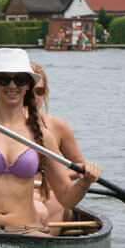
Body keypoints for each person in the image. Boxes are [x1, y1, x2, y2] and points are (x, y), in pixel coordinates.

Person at [0, 48, 100, 236]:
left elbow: (67, 198)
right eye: (4, 79)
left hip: (26, 230)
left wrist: (85, 181)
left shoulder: (42, 134)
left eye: (20, 80)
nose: (12, 86)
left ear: (28, 85)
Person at [30, 63, 85, 229]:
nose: (34, 97)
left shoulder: (57, 126)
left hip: (53, 191)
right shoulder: (1, 126)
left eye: (39, 91)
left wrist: (57, 175)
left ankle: (45, 245)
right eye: (29, 91)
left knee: (52, 201)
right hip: (19, 193)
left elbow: (80, 166)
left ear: (45, 93)